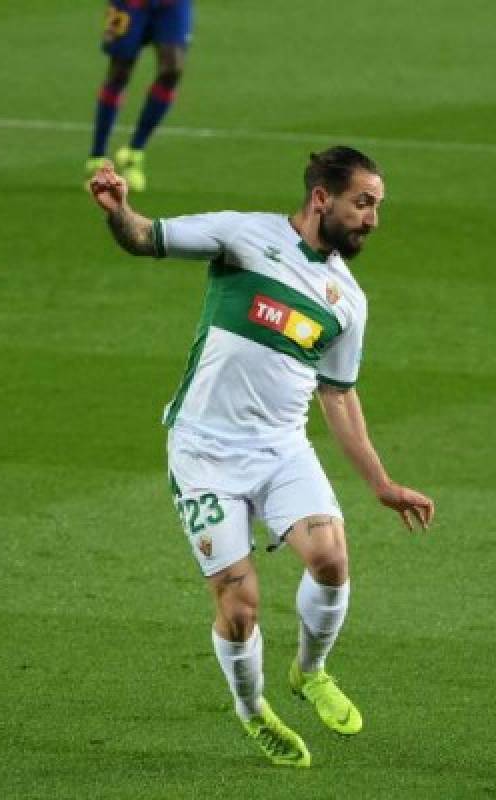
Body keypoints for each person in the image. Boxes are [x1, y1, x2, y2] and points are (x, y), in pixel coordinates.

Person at [86, 146, 436, 766]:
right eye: (363, 203)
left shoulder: (347, 301)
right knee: (239, 604)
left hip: (280, 448)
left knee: (330, 558)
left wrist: (380, 482)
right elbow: (146, 238)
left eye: (378, 207)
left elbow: (339, 395)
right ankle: (253, 711)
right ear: (322, 198)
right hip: (203, 451)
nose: (373, 220)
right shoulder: (244, 236)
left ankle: (311, 671)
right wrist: (120, 210)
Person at [85, 0, 195, 191]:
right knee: (119, 73)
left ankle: (135, 152)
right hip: (129, 5)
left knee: (172, 69)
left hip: (172, 5)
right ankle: (97, 158)